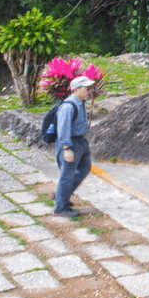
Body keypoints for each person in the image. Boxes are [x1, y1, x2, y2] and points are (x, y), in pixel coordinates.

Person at [52, 76, 99, 218]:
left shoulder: (81, 102)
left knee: (84, 168)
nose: (89, 91)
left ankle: (61, 195)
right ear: (76, 90)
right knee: (67, 175)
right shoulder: (68, 106)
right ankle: (60, 207)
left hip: (81, 142)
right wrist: (67, 149)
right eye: (86, 88)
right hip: (70, 143)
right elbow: (63, 128)